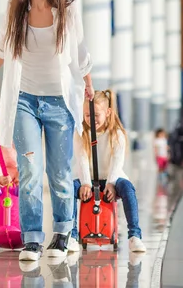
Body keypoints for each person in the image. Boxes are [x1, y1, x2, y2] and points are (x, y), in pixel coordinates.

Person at [0, 0, 94, 261]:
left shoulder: (67, 9)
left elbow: (80, 51)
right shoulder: (15, 8)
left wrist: (87, 84)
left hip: (59, 102)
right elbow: (1, 47)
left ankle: (62, 232)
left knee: (59, 172)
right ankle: (32, 238)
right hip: (24, 102)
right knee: (30, 170)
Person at [72, 90, 147, 252]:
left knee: (128, 188)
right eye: (86, 115)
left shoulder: (117, 134)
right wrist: (85, 183)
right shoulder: (81, 133)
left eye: (96, 115)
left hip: (112, 177)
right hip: (89, 178)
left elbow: (117, 162)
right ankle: (71, 236)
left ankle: (134, 235)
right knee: (69, 189)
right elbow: (82, 159)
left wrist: (112, 184)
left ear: (108, 113)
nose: (91, 119)